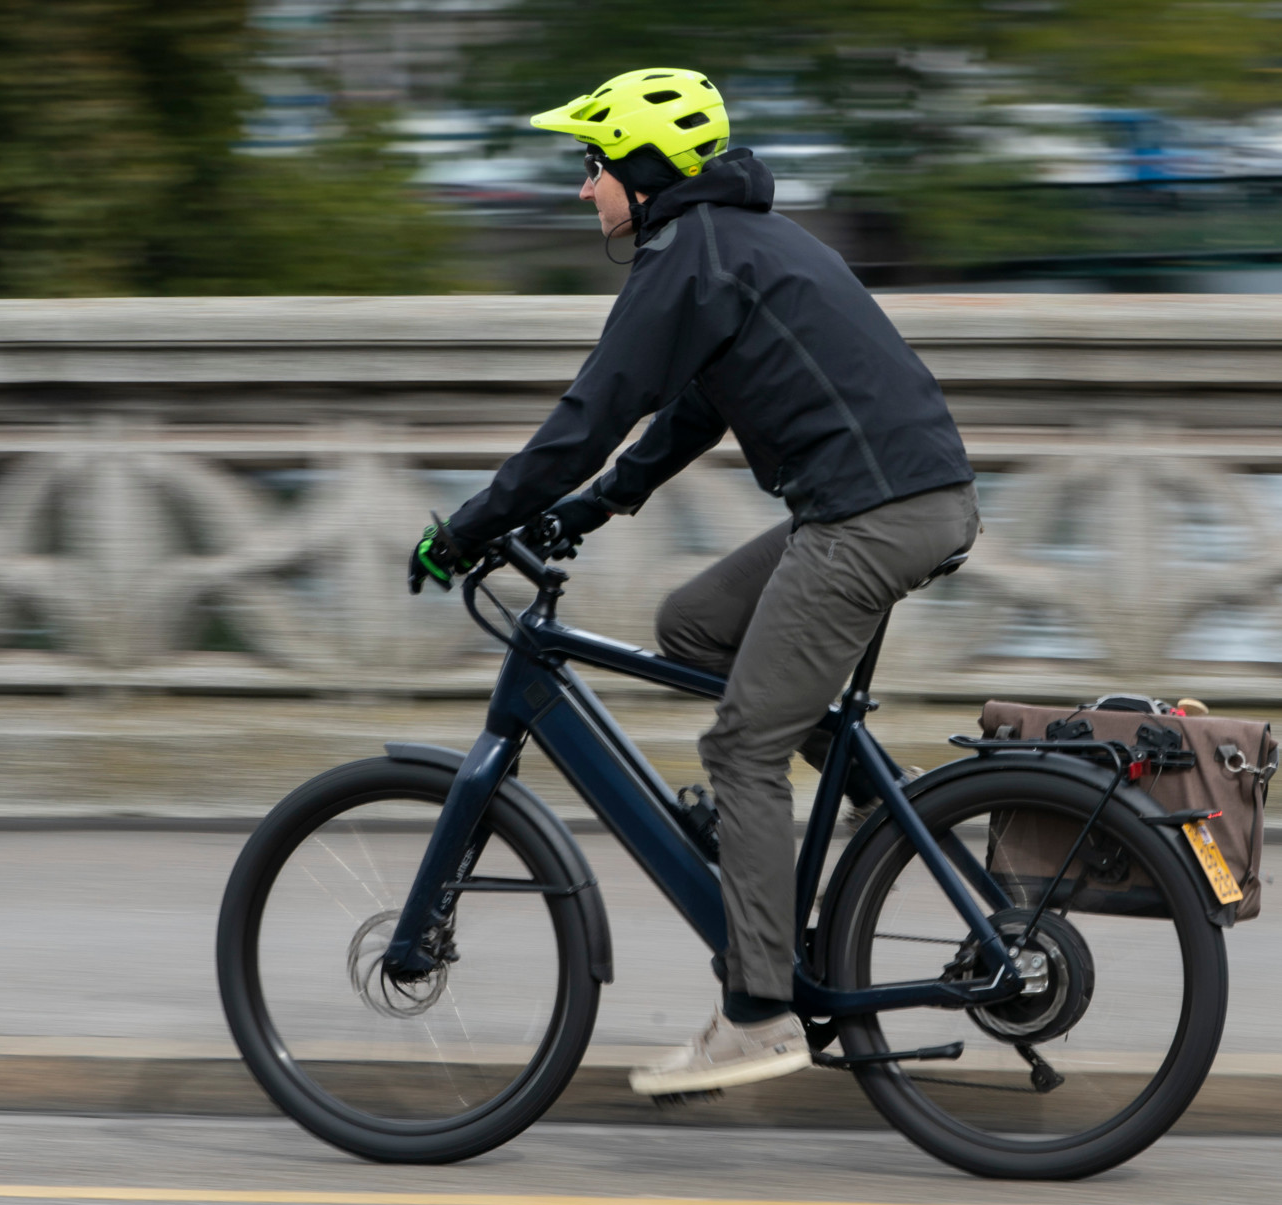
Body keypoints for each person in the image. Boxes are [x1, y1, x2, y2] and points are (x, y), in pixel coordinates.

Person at [407, 68, 979, 1096]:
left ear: (638, 168)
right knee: (694, 627)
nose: (585, 192)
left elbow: (587, 414)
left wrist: (466, 530)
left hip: (871, 517)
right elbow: (693, 412)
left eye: (592, 169)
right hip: (887, 501)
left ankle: (758, 1013)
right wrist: (595, 506)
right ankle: (867, 815)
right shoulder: (729, 243)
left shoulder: (685, 259)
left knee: (740, 748)